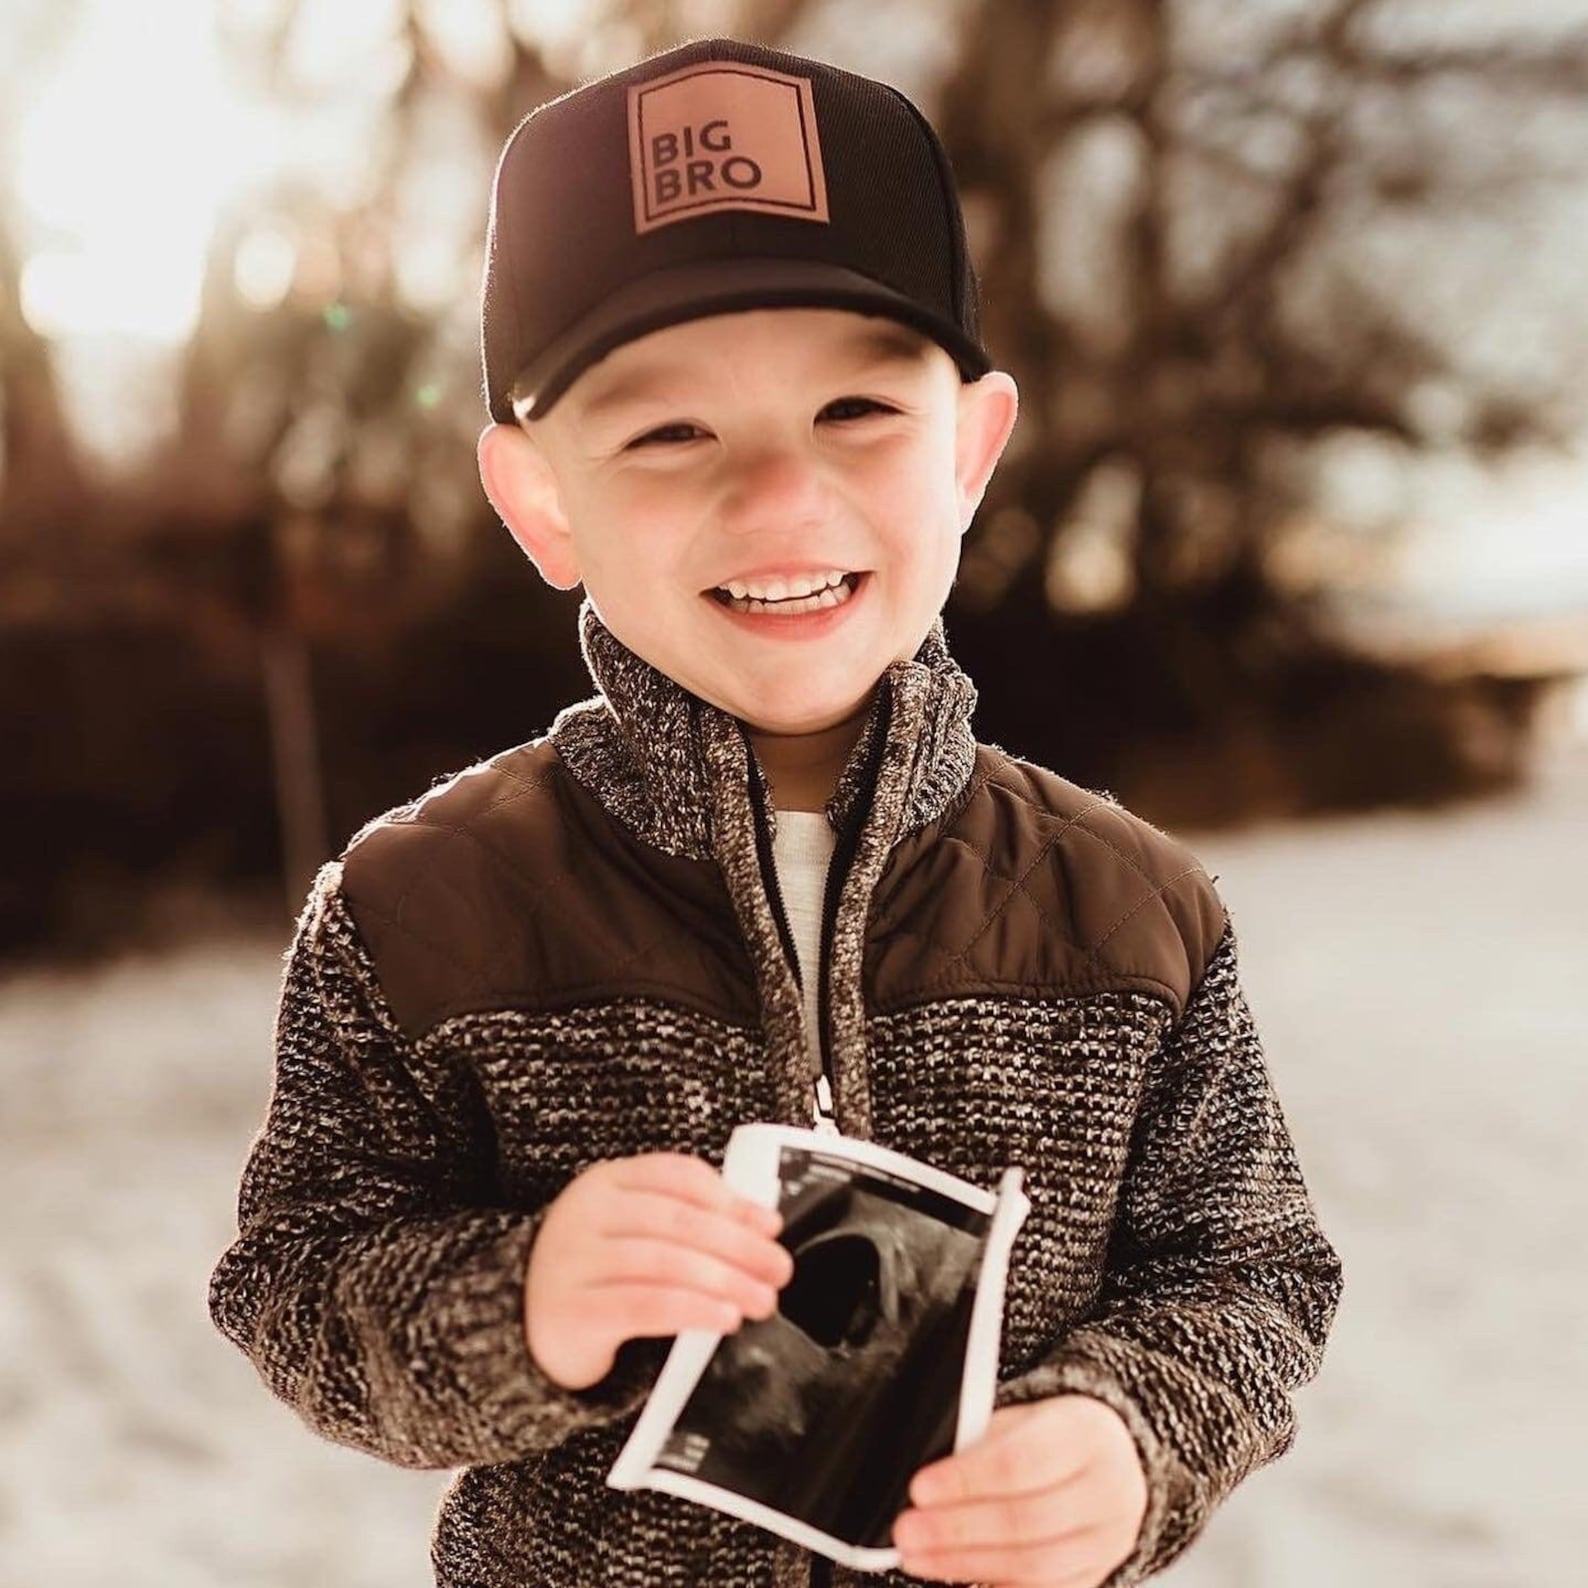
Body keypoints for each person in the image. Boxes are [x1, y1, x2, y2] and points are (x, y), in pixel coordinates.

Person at [207, 34, 1343, 1588]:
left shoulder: (1135, 910)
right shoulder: (415, 915)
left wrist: (1133, 1433)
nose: (779, 500)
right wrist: (521, 1298)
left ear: (972, 448)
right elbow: (295, 1282)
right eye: (670, 431)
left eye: (859, 413)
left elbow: (1249, 1271)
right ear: (542, 499)